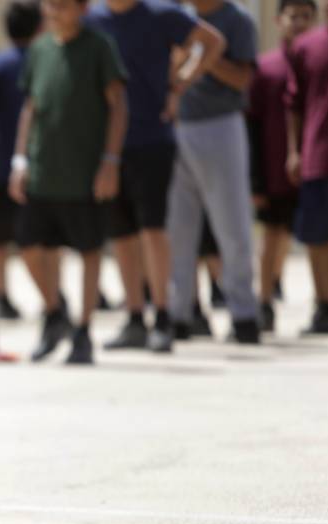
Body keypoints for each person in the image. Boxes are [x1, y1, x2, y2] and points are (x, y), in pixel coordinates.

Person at [88, 0, 225, 354]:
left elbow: (212, 42)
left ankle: (162, 315)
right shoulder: (93, 19)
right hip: (105, 144)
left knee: (153, 230)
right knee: (121, 233)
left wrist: (181, 83)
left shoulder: (162, 14)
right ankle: (134, 316)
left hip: (152, 138)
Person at [10, 0, 129, 365]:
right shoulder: (41, 48)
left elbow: (118, 104)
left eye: (61, 5)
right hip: (44, 170)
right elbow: (30, 106)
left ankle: (83, 329)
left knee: (89, 251)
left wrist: (110, 161)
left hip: (84, 173)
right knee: (30, 247)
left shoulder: (98, 46)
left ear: (81, 8)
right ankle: (54, 312)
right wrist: (20, 159)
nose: (53, 11)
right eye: (49, 4)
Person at [166, 0, 261, 344]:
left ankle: (244, 313)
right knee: (177, 229)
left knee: (231, 225)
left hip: (220, 125)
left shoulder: (235, 20)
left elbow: (242, 79)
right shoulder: (177, 15)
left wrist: (204, 56)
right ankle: (179, 312)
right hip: (176, 128)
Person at [250, 0, 318, 333]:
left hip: (318, 166)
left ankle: (326, 301)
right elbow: (251, 124)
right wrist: (255, 180)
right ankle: (263, 300)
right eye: (294, 16)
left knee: (319, 238)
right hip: (273, 169)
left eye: (307, 16)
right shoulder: (265, 68)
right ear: (279, 21)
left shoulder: (323, 60)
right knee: (272, 235)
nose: (300, 23)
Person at [0, 0, 42, 320]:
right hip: (40, 166)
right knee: (41, 238)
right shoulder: (44, 60)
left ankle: (2, 295)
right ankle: (52, 296)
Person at [286, 0, 328, 334]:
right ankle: (326, 306)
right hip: (318, 155)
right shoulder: (305, 46)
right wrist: (293, 151)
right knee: (318, 235)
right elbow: (293, 103)